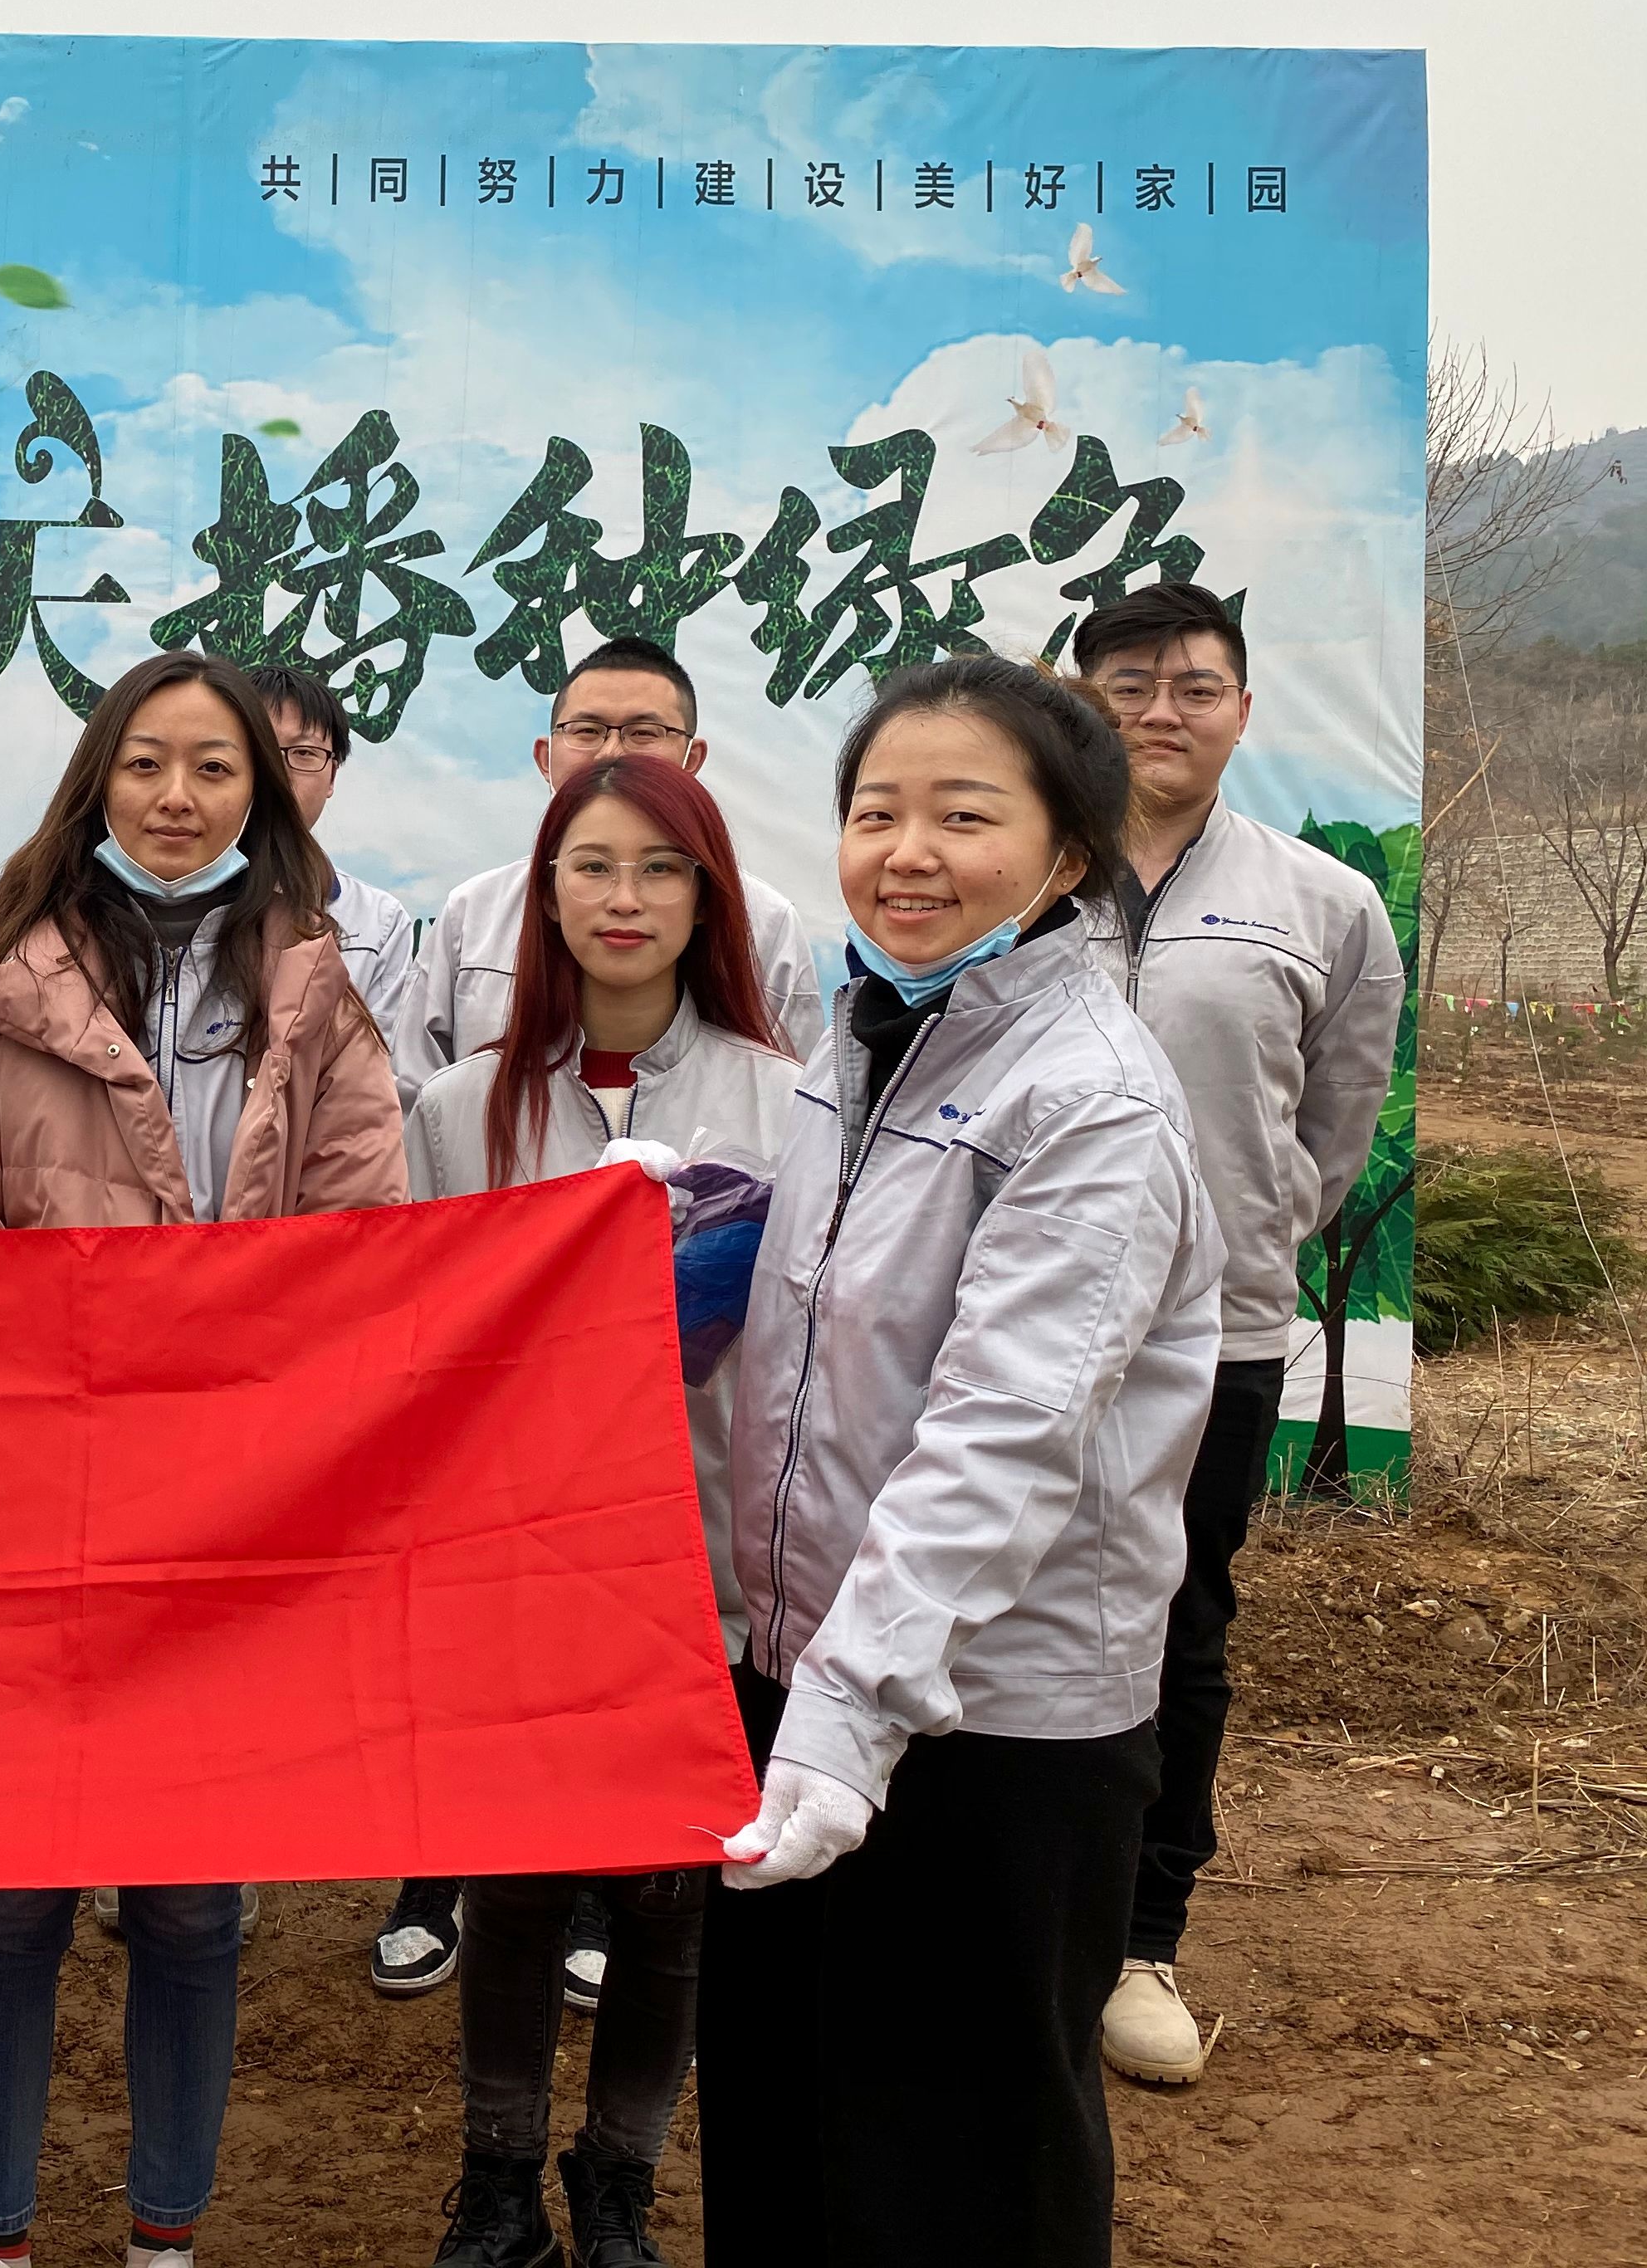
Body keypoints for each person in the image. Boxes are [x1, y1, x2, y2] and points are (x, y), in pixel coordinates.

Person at [695, 659, 1222, 2268]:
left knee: (957, 2165)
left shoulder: (1091, 1100)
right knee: (783, 2116)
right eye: (876, 811)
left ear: (1068, 853)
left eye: (963, 815)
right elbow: (841, 1307)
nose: (906, 853)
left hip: (992, 1725)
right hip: (808, 1681)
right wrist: (704, 1224)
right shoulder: (866, 1032)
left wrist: (850, 1715)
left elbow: (1003, 1432)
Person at [0, 650, 407, 2268]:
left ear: (261, 793)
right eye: (145, 763)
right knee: (8, 1897)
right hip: (31, 1508)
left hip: (229, 1520)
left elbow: (360, 1237)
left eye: (213, 767)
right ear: (96, 782)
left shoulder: (317, 991)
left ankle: (164, 2234)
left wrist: (246, 1415)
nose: (176, 796)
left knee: (190, 1904)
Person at [381, 637, 822, 2011]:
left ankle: (628, 2146)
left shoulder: (788, 1105)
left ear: (709, 895)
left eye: (662, 869)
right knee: (512, 1889)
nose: (625, 899)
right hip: (516, 1561)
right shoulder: (459, 1108)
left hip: (707, 1561)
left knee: (672, 1902)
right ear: (546, 892)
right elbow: (428, 1349)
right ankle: (499, 2141)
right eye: (593, 867)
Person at [1069, 585, 1405, 2086]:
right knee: (978, 1598)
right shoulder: (1020, 874)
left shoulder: (1324, 904)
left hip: (1214, 1336)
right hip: (1013, 1324)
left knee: (1179, 1618)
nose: (1161, 710)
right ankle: (1009, 1913)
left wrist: (1234, 1242)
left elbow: (1328, 1132)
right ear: (1080, 702)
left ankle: (1141, 1936)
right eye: (1129, 682)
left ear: (1243, 711)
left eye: (1194, 686)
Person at [398, 636, 827, 1091]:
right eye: (586, 731)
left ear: (693, 760)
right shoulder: (473, 913)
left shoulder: (765, 922)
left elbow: (798, 1102)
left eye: (644, 733)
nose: (611, 754)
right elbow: (415, 1099)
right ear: (545, 758)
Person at [249, 664, 418, 1033]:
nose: (278, 772)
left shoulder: (379, 922)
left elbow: (381, 1060)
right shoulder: (172, 901)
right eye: (260, 748)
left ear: (332, 777)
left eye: (304, 753)